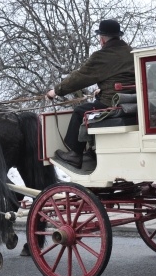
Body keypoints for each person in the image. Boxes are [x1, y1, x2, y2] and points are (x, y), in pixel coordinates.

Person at [46, 19, 134, 168]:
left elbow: (79, 78)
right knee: (94, 104)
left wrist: (56, 91)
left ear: (102, 38)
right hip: (132, 101)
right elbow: (122, 77)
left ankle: (75, 154)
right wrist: (103, 90)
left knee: (81, 111)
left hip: (114, 103)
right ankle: (93, 150)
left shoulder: (103, 56)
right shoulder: (130, 51)